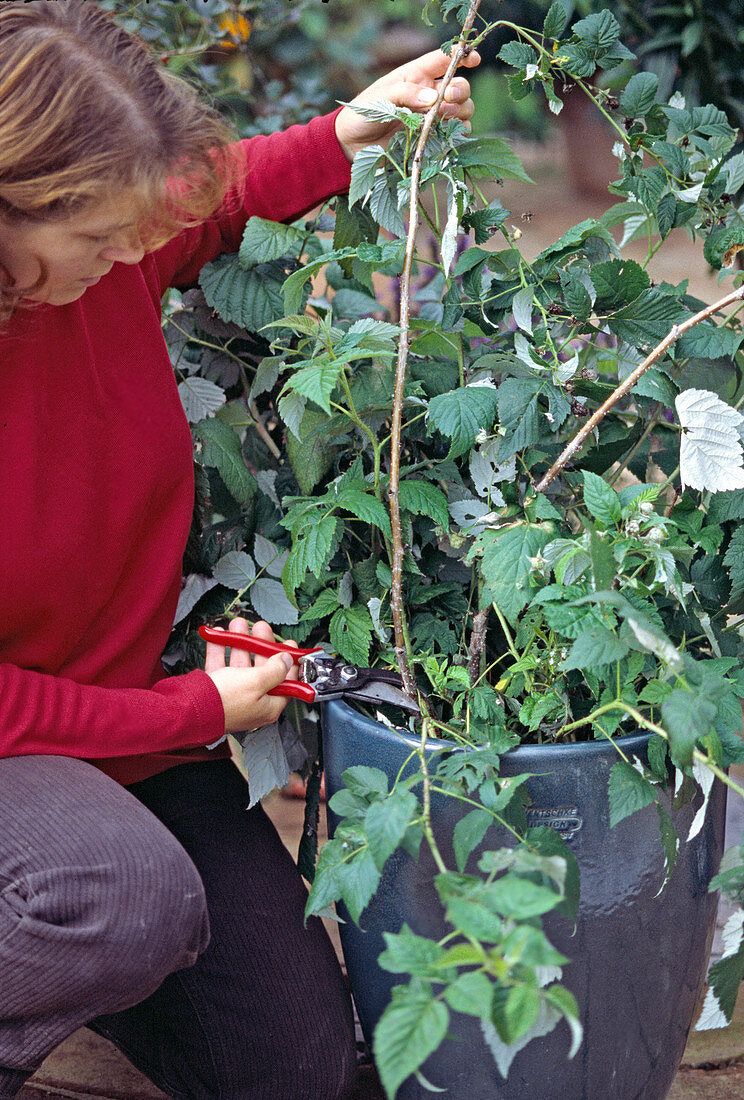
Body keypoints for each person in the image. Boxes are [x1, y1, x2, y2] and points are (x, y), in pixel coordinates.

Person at [0, 3, 477, 1097]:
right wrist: (195, 715)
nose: (137, 253)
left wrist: (356, 126)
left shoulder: (84, 251)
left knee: (296, 1069)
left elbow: (201, 205)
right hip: (33, 750)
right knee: (116, 896)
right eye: (102, 236)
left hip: (110, 736)